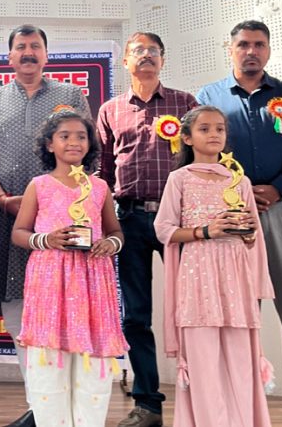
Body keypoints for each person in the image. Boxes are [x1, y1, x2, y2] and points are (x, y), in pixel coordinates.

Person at [197, 20, 282, 427]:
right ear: (229, 48)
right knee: (238, 317)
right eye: (243, 45)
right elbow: (203, 152)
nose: (250, 51)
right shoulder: (210, 96)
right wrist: (232, 195)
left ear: (268, 50)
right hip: (233, 218)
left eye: (258, 44)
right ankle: (241, 406)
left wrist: (277, 188)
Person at [0, 24, 90, 427]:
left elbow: (85, 154)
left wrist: (60, 204)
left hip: (60, 225)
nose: (28, 52)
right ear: (10, 57)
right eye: (20, 47)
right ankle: (38, 406)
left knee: (64, 310)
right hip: (6, 219)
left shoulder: (69, 96)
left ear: (46, 54)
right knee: (17, 315)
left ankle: (66, 407)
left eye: (35, 46)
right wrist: (4, 198)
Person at [96, 31, 197, 427]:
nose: (147, 57)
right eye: (138, 51)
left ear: (163, 60)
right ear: (125, 61)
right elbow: (103, 171)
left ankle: (201, 395)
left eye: (154, 51)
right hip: (131, 218)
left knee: (192, 311)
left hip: (181, 221)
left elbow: (201, 156)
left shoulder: (184, 103)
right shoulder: (110, 110)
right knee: (135, 315)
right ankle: (148, 405)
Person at [153, 105, 275, 427]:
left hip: (236, 278)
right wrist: (206, 231)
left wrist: (245, 231)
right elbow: (164, 229)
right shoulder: (179, 179)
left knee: (239, 362)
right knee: (204, 363)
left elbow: (253, 238)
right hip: (197, 278)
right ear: (188, 138)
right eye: (205, 129)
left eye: (220, 128)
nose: (214, 134)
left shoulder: (240, 181)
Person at [11, 110, 128, 427]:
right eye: (65, 136)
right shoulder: (39, 185)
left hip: (92, 282)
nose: (74, 142)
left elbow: (115, 232)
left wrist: (111, 245)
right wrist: (47, 239)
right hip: (51, 282)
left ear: (90, 143)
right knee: (50, 368)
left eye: (81, 136)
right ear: (50, 144)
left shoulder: (100, 187)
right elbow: (19, 233)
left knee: (92, 375)